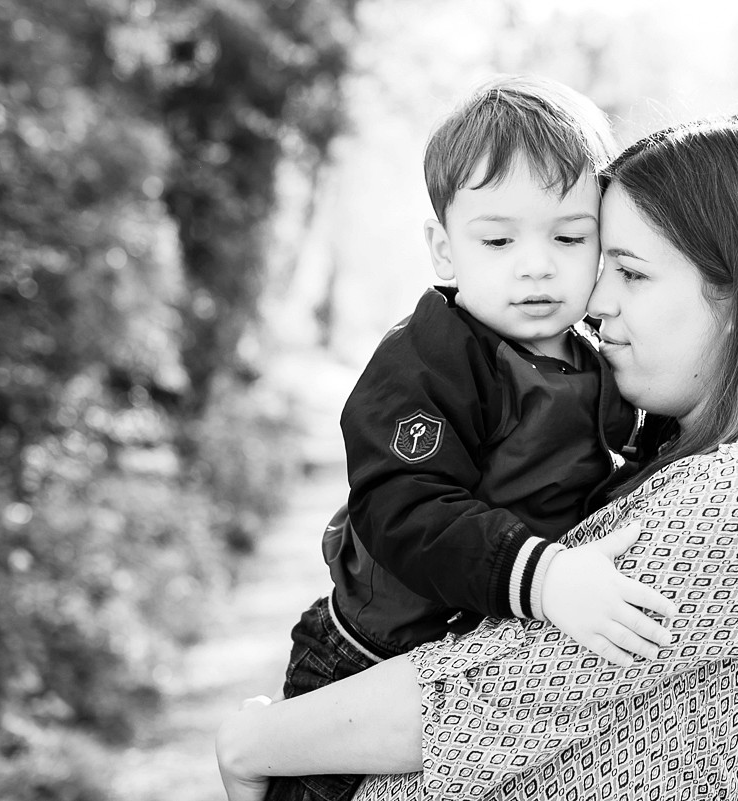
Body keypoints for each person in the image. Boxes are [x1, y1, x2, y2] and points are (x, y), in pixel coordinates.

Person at [218, 113, 738, 801]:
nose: (595, 300)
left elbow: (482, 698)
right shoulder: (681, 445)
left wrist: (258, 744)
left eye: (629, 271)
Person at [270, 75, 676, 801]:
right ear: (446, 250)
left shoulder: (598, 356)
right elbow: (404, 507)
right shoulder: (431, 358)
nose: (536, 263)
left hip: (472, 667)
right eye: (497, 238)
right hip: (363, 657)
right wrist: (545, 577)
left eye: (569, 235)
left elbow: (616, 464)